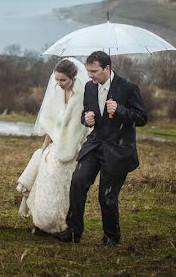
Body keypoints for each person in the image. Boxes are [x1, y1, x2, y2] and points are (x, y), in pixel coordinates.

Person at [55, 50, 147, 246]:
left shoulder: (129, 88)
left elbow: (141, 118)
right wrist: (86, 118)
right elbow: (86, 113)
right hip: (94, 145)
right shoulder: (89, 87)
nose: (90, 75)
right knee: (78, 182)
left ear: (107, 68)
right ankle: (73, 231)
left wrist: (120, 110)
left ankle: (111, 237)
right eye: (88, 71)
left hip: (118, 149)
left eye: (94, 71)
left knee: (106, 196)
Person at [16, 58, 90, 234]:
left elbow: (84, 126)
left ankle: (59, 224)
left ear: (73, 77)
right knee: (44, 184)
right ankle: (41, 222)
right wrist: (43, 148)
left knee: (62, 190)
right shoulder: (57, 93)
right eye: (57, 79)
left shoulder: (83, 95)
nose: (59, 83)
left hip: (73, 149)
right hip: (55, 148)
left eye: (63, 80)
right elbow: (51, 125)